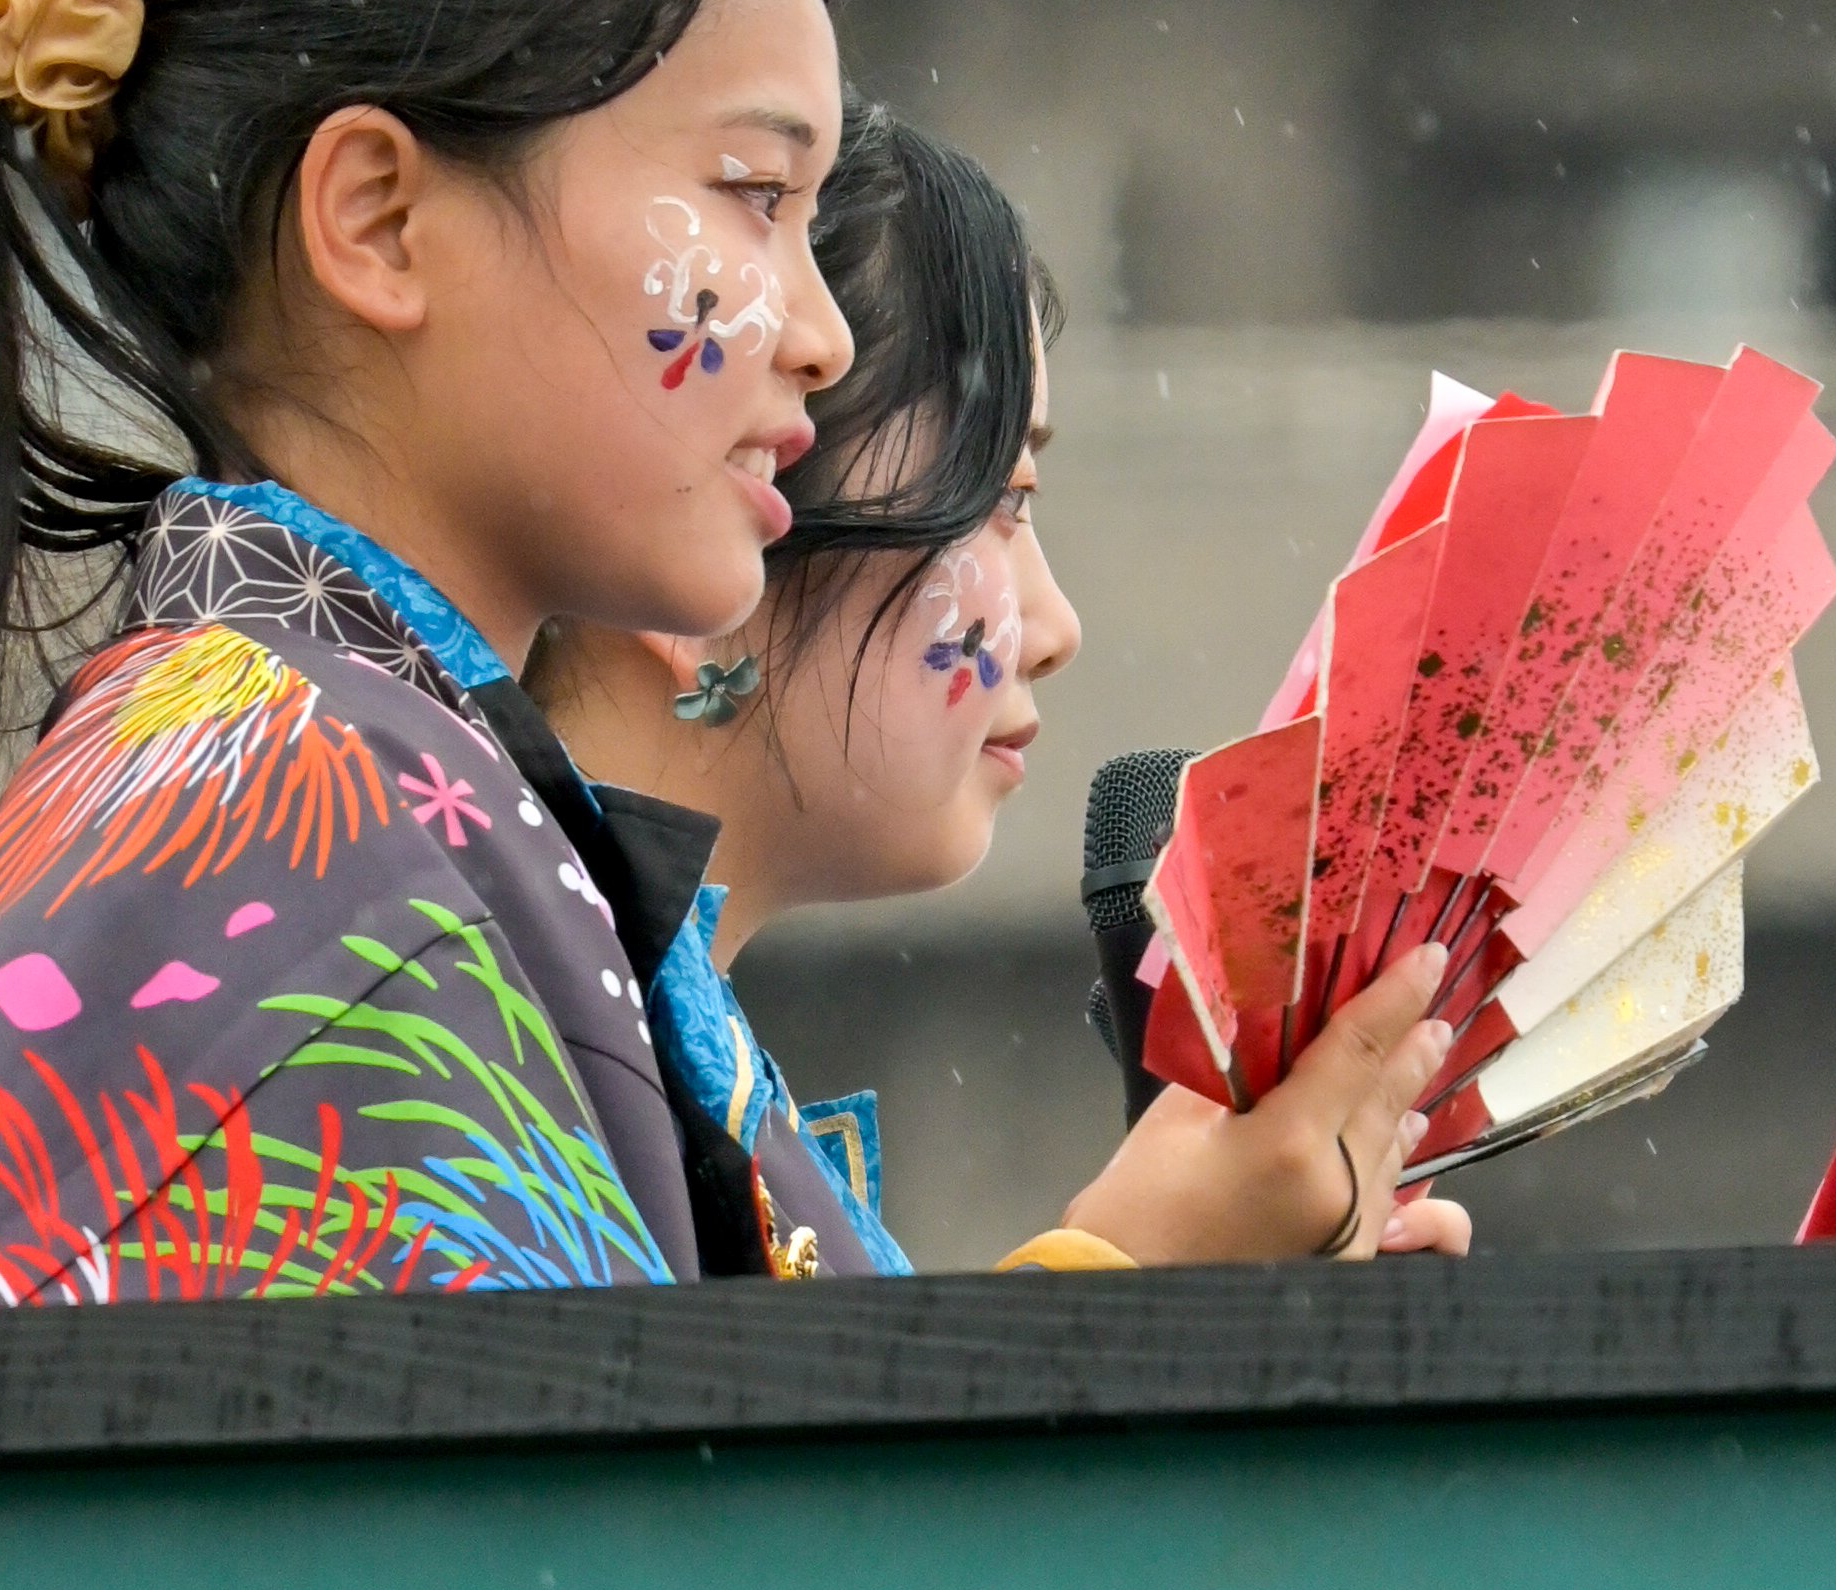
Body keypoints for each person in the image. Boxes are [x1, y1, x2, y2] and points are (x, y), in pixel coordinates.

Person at [0, 0, 1457, 1306]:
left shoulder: (345, 796)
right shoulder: (274, 815)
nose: (823, 331)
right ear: (379, 221)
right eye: (749, 195)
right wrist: (1119, 1288)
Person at [530, 101, 1469, 1273]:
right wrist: (1134, 1288)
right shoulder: (485, 1023)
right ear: (726, 505)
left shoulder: (597, 1022)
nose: (1053, 629)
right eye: (1003, 499)